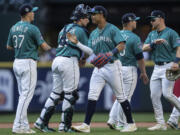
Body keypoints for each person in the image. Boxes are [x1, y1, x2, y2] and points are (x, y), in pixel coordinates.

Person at [68, 5, 137, 133]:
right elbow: (90, 51)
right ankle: (86, 125)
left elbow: (122, 45)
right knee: (92, 95)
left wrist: (110, 53)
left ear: (102, 15)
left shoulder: (112, 29)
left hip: (113, 66)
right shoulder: (93, 33)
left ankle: (131, 124)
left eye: (94, 14)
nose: (91, 17)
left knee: (121, 96)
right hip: (99, 67)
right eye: (91, 15)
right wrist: (79, 47)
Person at [34, 4, 90, 132]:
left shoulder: (64, 28)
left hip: (57, 61)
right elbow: (87, 50)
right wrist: (84, 59)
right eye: (86, 17)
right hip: (69, 61)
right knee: (70, 95)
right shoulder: (81, 30)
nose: (88, 19)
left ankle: (41, 122)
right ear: (80, 18)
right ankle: (64, 126)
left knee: (55, 94)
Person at [6, 3, 51, 134]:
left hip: (17, 62)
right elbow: (44, 46)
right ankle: (16, 125)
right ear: (27, 13)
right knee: (25, 96)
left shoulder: (14, 27)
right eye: (32, 12)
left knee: (22, 96)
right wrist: (56, 51)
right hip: (28, 63)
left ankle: (24, 126)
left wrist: (23, 46)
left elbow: (9, 46)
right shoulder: (32, 28)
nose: (34, 13)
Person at [107, 13, 149, 130]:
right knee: (125, 98)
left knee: (121, 96)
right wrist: (144, 72)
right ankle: (122, 122)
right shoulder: (134, 38)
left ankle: (112, 119)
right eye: (134, 21)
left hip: (116, 68)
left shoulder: (115, 35)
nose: (136, 22)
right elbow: (140, 57)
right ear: (130, 22)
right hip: (129, 69)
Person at [142, 10, 180, 131]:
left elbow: (179, 47)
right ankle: (160, 123)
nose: (151, 21)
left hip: (168, 65)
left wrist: (176, 62)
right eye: (151, 19)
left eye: (153, 19)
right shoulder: (152, 34)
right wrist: (153, 44)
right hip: (156, 67)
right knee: (154, 95)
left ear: (161, 19)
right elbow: (144, 48)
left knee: (167, 94)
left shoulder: (171, 33)